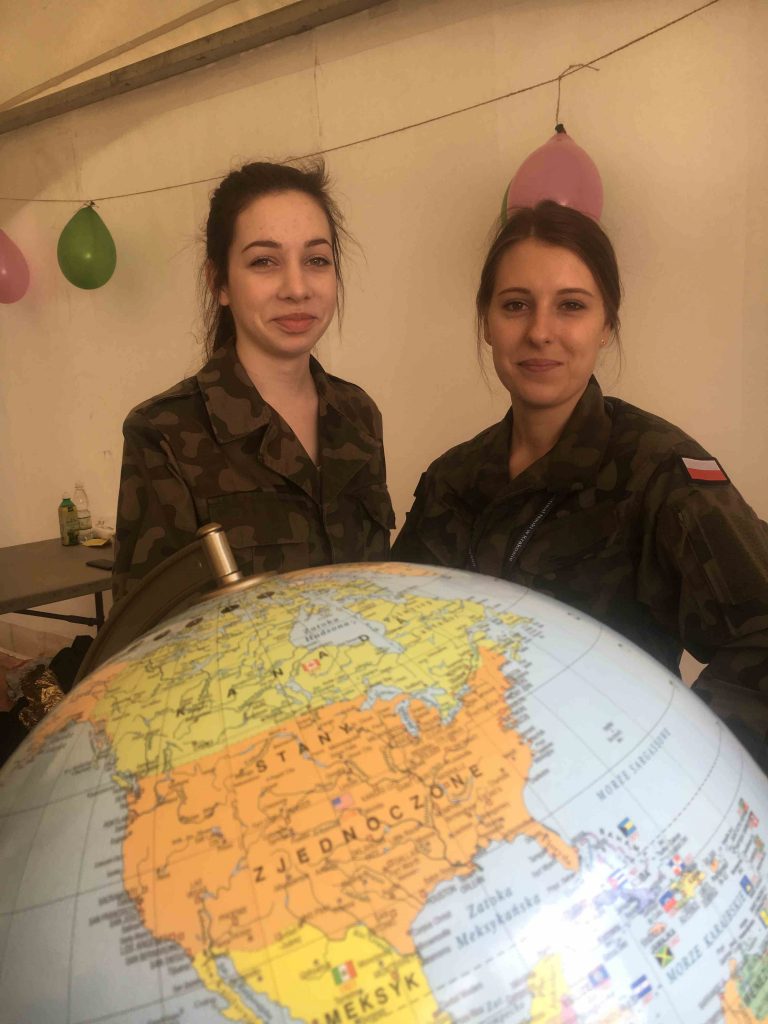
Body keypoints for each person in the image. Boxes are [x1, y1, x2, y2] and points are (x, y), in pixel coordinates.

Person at [392, 200, 768, 749]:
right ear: (487, 323)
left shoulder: (658, 470)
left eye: (571, 306)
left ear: (606, 324)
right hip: (466, 774)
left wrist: (679, 756)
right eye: (516, 305)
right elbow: (397, 623)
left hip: (605, 787)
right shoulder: (452, 477)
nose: (541, 332)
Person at [113, 161, 394, 600]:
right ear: (220, 283)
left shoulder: (357, 414)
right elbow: (151, 624)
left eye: (316, 260)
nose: (297, 287)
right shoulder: (165, 433)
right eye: (264, 261)